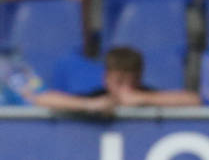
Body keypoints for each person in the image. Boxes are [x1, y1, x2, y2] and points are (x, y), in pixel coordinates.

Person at [31, 47, 200, 114]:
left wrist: (144, 99)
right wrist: (89, 105)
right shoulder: (98, 96)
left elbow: (193, 100)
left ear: (139, 78)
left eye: (131, 81)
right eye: (119, 82)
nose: (126, 88)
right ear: (106, 79)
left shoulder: (146, 95)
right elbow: (42, 98)